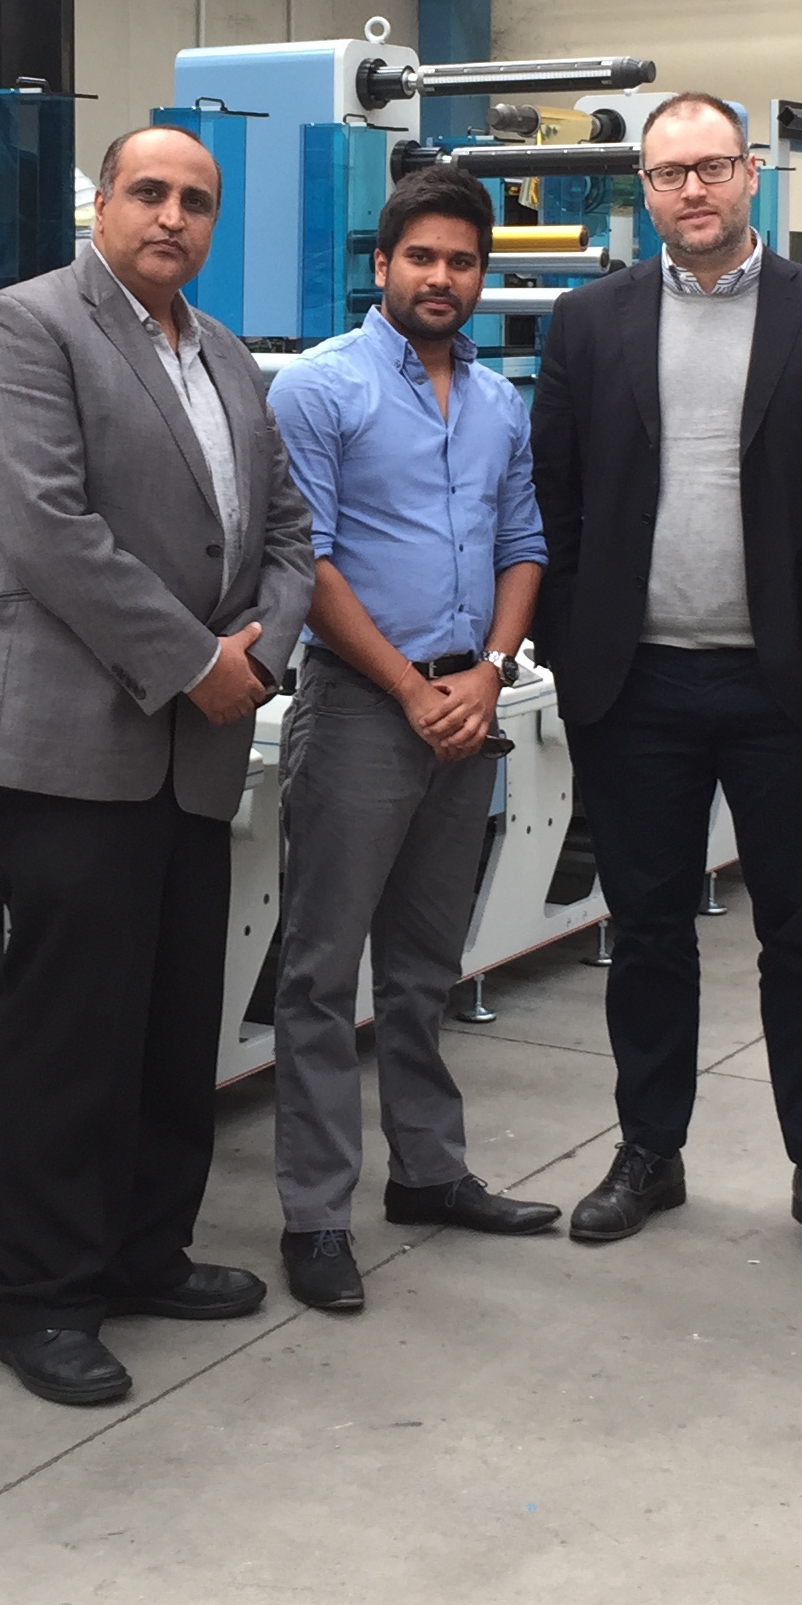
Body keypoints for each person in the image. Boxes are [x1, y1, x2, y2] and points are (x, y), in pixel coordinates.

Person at [0, 123, 315, 1408]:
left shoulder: (227, 355)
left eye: (196, 201)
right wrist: (192, 659)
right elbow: (46, 526)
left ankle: (146, 1253)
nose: (172, 217)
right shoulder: (27, 327)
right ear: (101, 203)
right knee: (72, 1035)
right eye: (149, 192)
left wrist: (263, 647)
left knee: (169, 1020)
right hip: (68, 739)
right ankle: (43, 1299)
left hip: (195, 743)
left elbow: (287, 529)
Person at [529, 91, 802, 1269]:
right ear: (644, 189)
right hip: (636, 688)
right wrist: (577, 650)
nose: (693, 190)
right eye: (669, 172)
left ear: (751, 173)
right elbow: (556, 501)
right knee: (646, 932)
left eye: (713, 168)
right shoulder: (588, 322)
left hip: (787, 690)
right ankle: (650, 1150)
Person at [266, 167, 562, 1314]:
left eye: (463, 261)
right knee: (320, 972)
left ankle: (429, 1173)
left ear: (483, 276)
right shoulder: (319, 389)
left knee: (427, 966)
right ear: (382, 264)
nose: (443, 278)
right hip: (360, 707)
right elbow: (307, 561)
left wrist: (489, 673)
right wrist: (411, 689)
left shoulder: (497, 402)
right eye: (422, 258)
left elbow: (523, 544)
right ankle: (316, 1217)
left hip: (468, 708)